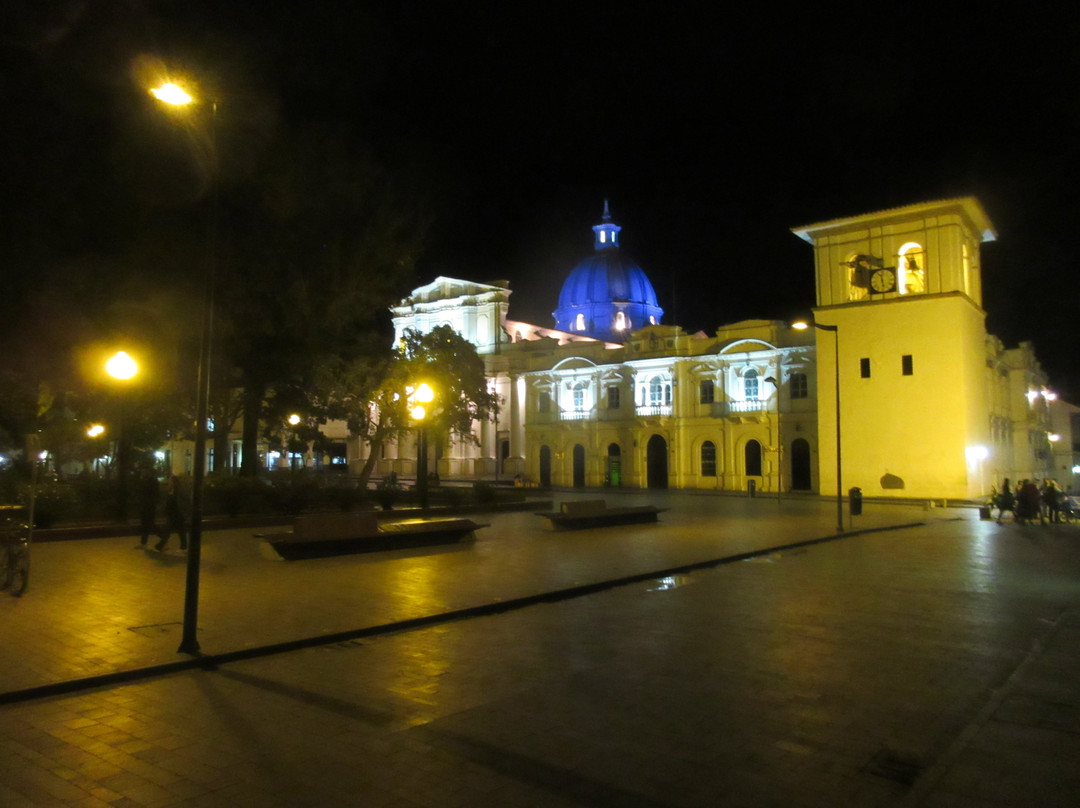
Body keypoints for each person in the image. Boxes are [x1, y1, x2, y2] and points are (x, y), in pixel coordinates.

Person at [155, 475, 187, 552]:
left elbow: (184, 502)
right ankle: (182, 547)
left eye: (170, 481)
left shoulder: (179, 491)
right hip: (171, 514)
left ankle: (161, 545)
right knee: (178, 531)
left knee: (173, 530)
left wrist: (185, 512)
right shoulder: (169, 491)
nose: (169, 482)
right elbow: (166, 502)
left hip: (177, 514)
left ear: (174, 482)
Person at [136, 468, 160, 546]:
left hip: (148, 506)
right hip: (147, 505)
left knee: (148, 524)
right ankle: (143, 542)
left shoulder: (150, 482)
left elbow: (152, 494)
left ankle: (163, 537)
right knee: (146, 525)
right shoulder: (150, 481)